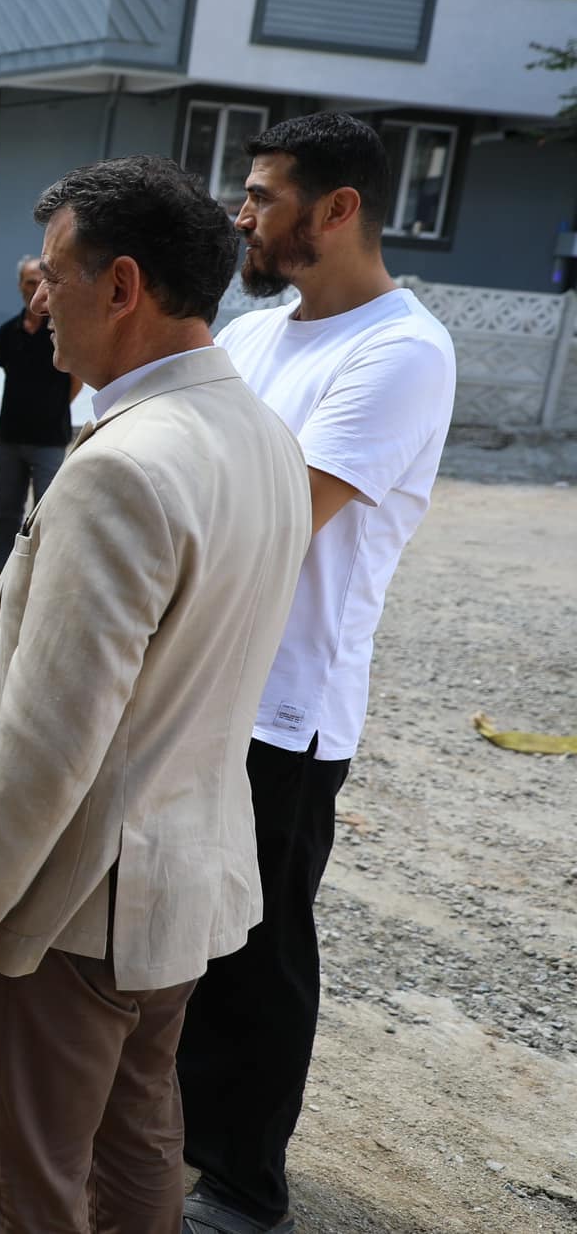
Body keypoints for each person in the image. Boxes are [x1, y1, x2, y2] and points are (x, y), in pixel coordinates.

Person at [0, 156, 311, 1234]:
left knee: (17, 1181)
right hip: (181, 885)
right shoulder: (262, 435)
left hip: (73, 906)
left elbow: (52, 739)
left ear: (122, 286)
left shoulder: (121, 468)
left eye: (51, 276)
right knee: (136, 1140)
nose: (34, 303)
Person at [176, 113, 457, 1234]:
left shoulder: (399, 351)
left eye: (260, 193)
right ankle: (181, 1141)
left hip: (286, 708)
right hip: (199, 679)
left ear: (335, 210)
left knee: (257, 945)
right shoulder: (247, 337)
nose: (239, 213)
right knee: (174, 925)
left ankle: (245, 1183)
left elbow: (275, 515)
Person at [0, 254, 81, 575]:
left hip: (50, 438)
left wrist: (52, 409)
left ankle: (43, 571)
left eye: (40, 281)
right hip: (11, 435)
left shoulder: (62, 330)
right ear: (20, 286)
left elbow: (75, 380)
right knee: (6, 508)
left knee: (47, 509)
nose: (34, 288)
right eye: (28, 281)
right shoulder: (6, 332)